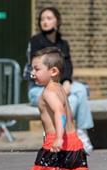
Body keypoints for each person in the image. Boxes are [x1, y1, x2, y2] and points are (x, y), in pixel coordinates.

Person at [17, 47, 107, 170]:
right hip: (73, 141)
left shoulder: (49, 92)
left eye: (36, 69)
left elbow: (59, 112)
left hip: (56, 142)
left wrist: (57, 137)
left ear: (53, 71)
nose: (32, 73)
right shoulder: (59, 89)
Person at [26, 7, 94, 153]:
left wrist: (67, 82)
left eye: (49, 18)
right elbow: (41, 69)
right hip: (39, 89)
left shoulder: (63, 44)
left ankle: (81, 133)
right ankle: (69, 136)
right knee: (69, 101)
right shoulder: (36, 41)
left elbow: (67, 65)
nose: (45, 21)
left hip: (60, 84)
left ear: (57, 21)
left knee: (80, 90)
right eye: (42, 19)